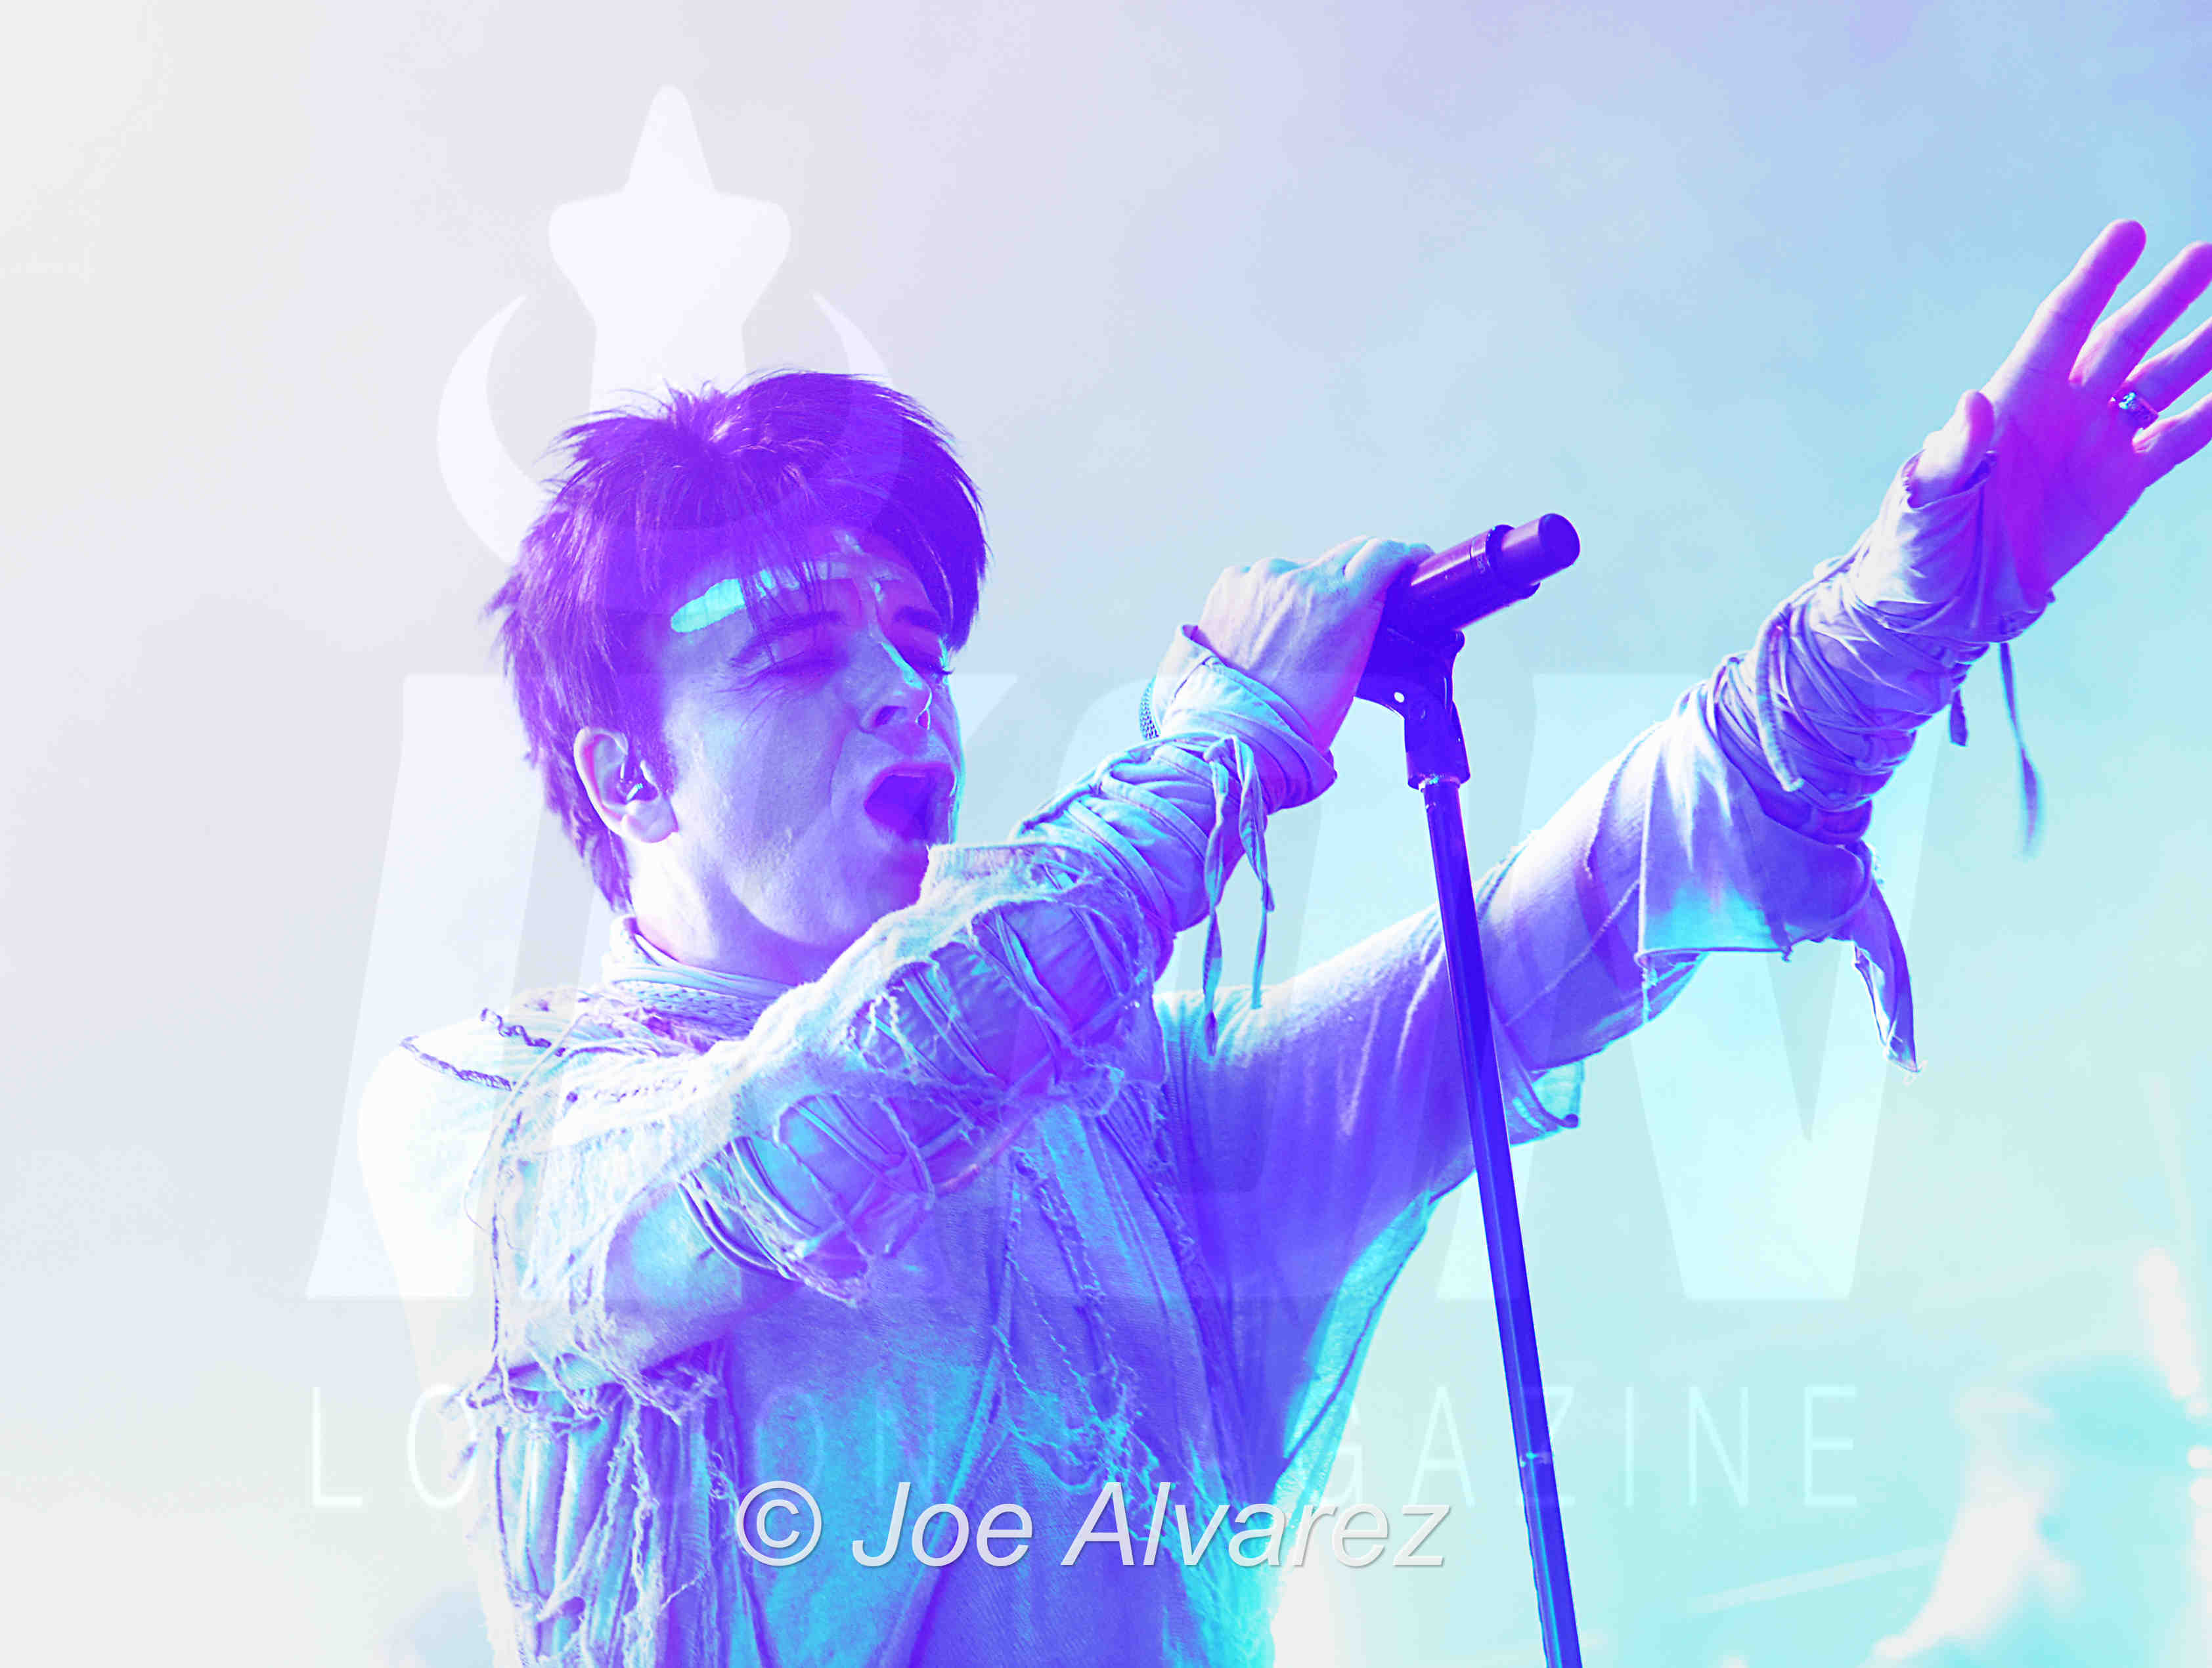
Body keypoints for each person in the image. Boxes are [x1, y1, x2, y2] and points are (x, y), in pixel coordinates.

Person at [361, 220, 2212, 1667]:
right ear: (625, 772)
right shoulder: (496, 1134)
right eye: (794, 657)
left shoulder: (1119, 1127)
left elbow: (1562, 926)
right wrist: (1212, 758)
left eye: (919, 646)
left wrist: (1912, 609)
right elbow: (821, 1128)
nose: (903, 696)